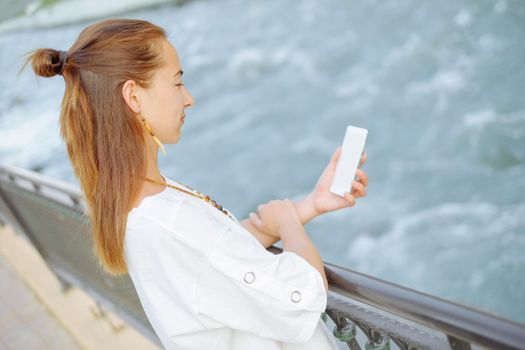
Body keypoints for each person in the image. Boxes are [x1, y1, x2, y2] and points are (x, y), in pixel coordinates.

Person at [21, 18, 369, 350]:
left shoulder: (139, 201)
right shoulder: (167, 220)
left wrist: (310, 205)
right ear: (134, 97)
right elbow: (302, 297)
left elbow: (212, 260)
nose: (189, 98)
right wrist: (291, 226)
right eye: (176, 82)